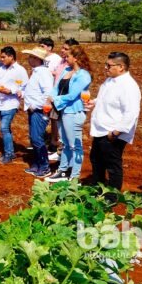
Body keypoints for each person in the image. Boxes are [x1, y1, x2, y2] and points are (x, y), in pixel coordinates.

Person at [85, 52, 141, 190]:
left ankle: (111, 196)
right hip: (101, 130)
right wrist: (94, 102)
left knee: (112, 166)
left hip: (112, 133)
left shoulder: (128, 86)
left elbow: (131, 112)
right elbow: (106, 98)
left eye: (109, 65)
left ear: (121, 67)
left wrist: (116, 132)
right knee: (96, 160)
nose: (105, 67)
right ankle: (97, 189)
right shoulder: (110, 80)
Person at [46, 45, 93, 183]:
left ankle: (75, 175)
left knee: (75, 145)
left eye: (68, 56)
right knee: (65, 143)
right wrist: (51, 97)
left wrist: (55, 100)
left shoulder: (84, 75)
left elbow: (73, 95)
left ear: (76, 58)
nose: (65, 58)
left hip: (73, 112)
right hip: (62, 110)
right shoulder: (66, 70)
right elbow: (56, 87)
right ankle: (63, 170)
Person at [0, 46, 28, 164]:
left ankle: (8, 154)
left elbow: (25, 87)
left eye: (3, 57)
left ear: (11, 56)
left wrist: (11, 91)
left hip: (11, 103)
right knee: (6, 129)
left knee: (4, 128)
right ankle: (9, 152)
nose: (1, 59)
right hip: (0, 103)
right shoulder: (1, 69)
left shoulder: (20, 70)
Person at [18, 47, 57, 178]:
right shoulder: (37, 72)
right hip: (34, 110)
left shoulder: (43, 73)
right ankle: (37, 164)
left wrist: (35, 106)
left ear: (36, 59)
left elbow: (48, 93)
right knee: (34, 138)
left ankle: (44, 167)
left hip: (39, 111)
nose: (28, 59)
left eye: (30, 57)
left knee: (37, 139)